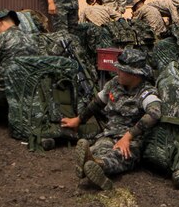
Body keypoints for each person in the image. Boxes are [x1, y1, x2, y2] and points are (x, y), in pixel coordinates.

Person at [66, 48, 161, 190]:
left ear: (135, 75)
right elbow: (97, 102)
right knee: (100, 147)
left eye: (122, 70)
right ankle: (92, 163)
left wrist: (128, 137)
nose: (118, 72)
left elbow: (155, 113)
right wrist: (79, 120)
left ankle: (98, 166)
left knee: (119, 156)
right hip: (109, 134)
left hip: (132, 142)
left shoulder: (146, 93)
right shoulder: (114, 84)